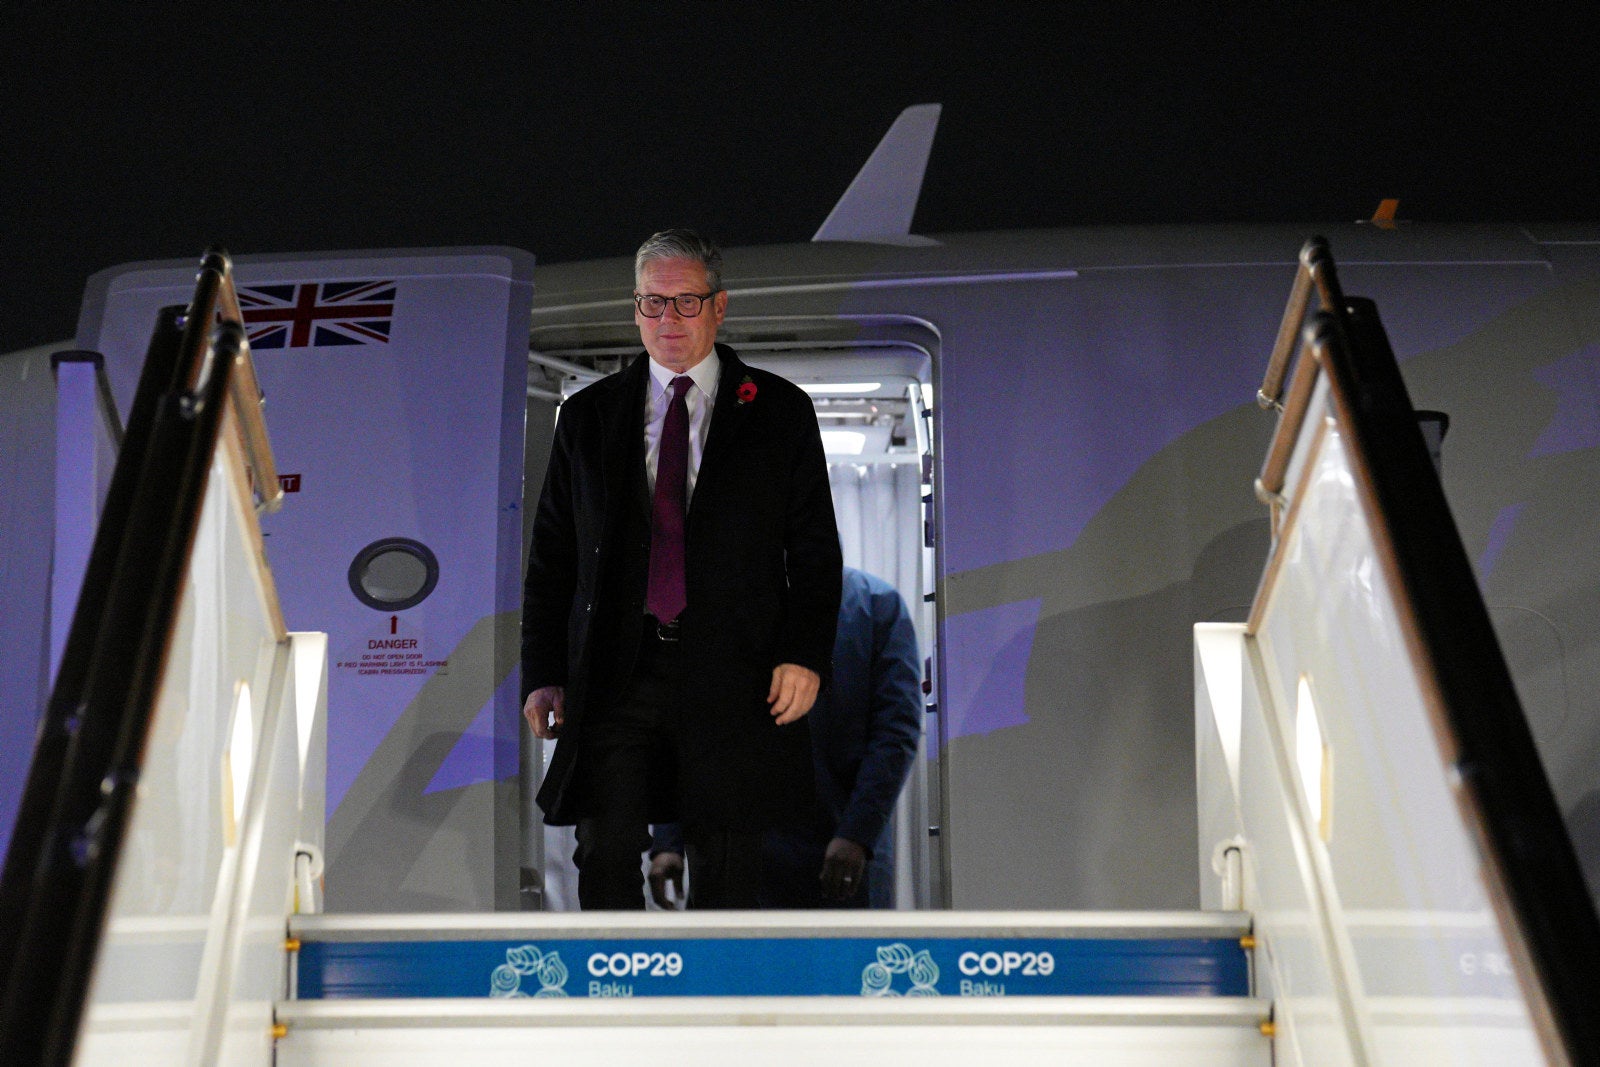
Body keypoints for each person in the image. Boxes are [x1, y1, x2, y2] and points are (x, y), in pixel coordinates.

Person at [521, 229, 842, 910]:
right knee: (604, 848)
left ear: (719, 307)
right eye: (653, 302)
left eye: (686, 301)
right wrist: (544, 671)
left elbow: (814, 550)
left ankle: (719, 983)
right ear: (635, 309)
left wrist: (804, 654)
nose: (668, 318)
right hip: (617, 669)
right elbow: (553, 556)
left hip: (734, 670)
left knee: (726, 859)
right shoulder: (587, 417)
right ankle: (616, 979)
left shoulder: (779, 411)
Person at [650, 566, 923, 909]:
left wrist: (857, 833)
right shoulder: (722, 608)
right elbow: (688, 727)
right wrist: (668, 839)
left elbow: (895, 731)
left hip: (834, 849)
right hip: (741, 853)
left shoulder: (877, 605)